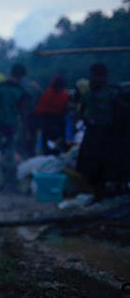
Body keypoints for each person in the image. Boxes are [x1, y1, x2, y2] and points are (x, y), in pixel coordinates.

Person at [76, 64, 119, 201]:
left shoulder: (113, 94)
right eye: (93, 76)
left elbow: (120, 113)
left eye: (98, 76)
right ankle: (97, 194)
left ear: (104, 77)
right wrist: (87, 121)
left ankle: (109, 191)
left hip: (109, 134)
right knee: (91, 166)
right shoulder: (88, 95)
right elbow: (81, 111)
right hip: (93, 134)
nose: (94, 79)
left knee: (109, 165)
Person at [0, 64, 28, 188]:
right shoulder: (21, 91)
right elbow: (22, 111)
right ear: (21, 76)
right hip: (12, 126)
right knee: (9, 152)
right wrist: (24, 128)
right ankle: (7, 181)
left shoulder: (0, 87)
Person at [35, 75, 69, 154]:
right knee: (51, 141)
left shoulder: (49, 94)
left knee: (53, 141)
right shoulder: (51, 94)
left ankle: (51, 153)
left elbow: (39, 110)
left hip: (53, 121)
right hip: (51, 121)